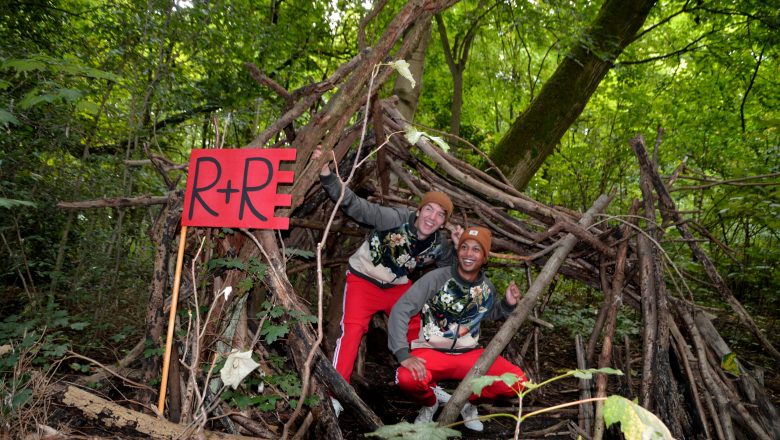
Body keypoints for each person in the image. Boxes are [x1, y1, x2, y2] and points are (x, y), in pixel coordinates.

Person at [312, 147, 463, 416]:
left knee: (418, 329)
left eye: (440, 214)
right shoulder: (394, 219)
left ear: (443, 223)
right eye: (428, 209)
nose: (432, 217)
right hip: (363, 279)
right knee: (353, 331)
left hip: (396, 287)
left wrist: (457, 248)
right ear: (418, 212)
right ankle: (336, 394)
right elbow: (357, 207)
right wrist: (327, 175)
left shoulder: (439, 244)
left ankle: (430, 382)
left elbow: (449, 271)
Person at [387, 226, 527, 432]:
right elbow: (401, 309)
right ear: (458, 251)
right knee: (406, 377)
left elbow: (487, 314)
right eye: (464, 247)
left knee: (518, 382)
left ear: (485, 257)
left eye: (476, 249)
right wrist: (402, 352)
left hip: (469, 354)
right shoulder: (436, 278)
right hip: (431, 351)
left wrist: (507, 304)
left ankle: (466, 404)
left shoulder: (486, 287)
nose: (468, 254)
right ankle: (430, 403)